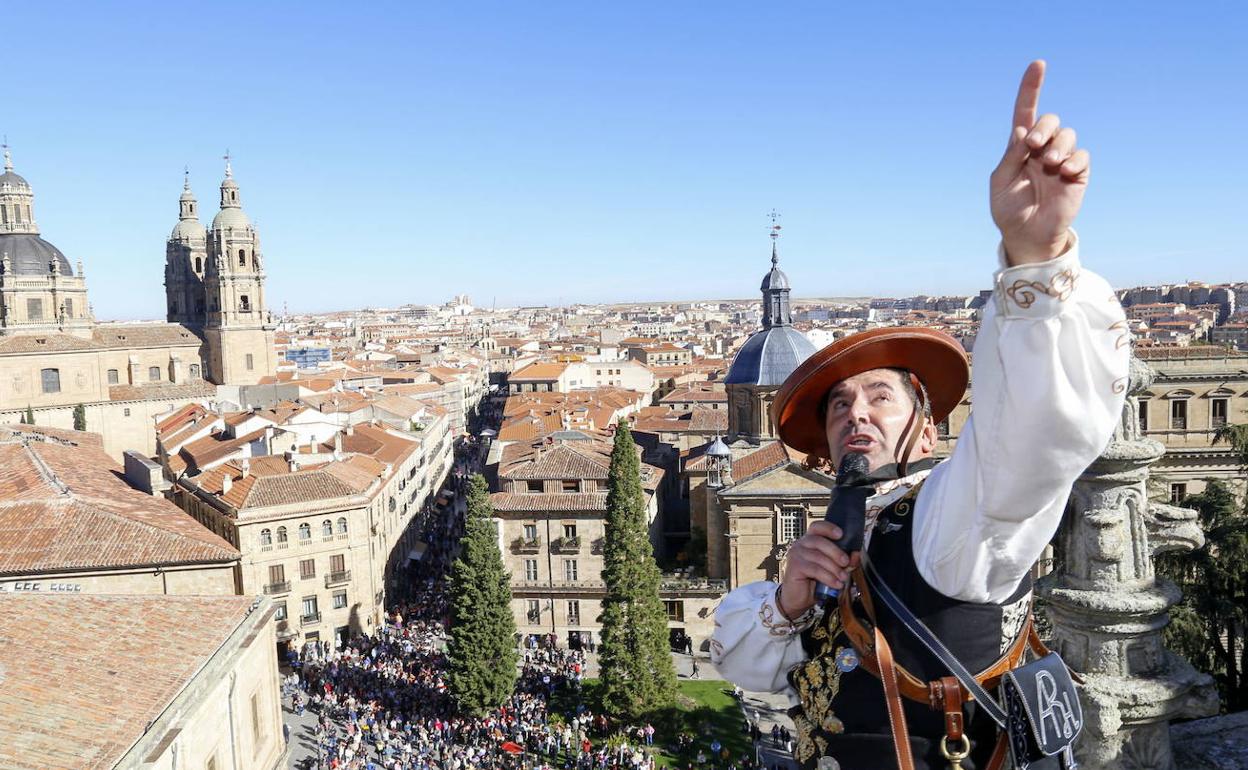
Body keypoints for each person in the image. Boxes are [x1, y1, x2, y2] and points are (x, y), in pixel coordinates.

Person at [711, 60, 1129, 770]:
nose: (855, 412)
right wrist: (786, 600)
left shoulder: (957, 522)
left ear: (928, 428)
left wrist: (1035, 258)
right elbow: (751, 670)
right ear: (823, 447)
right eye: (839, 404)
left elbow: (1031, 439)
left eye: (881, 395)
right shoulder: (833, 542)